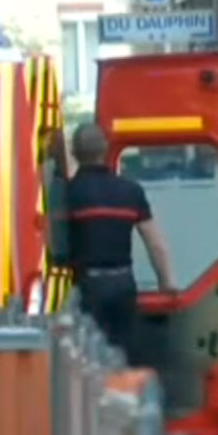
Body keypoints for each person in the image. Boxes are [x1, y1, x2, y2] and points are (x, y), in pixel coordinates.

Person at [61, 123, 175, 356]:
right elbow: (156, 244)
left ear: (74, 153)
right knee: (122, 354)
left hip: (86, 286)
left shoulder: (67, 194)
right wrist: (166, 282)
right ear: (105, 150)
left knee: (87, 356)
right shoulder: (130, 191)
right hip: (123, 284)